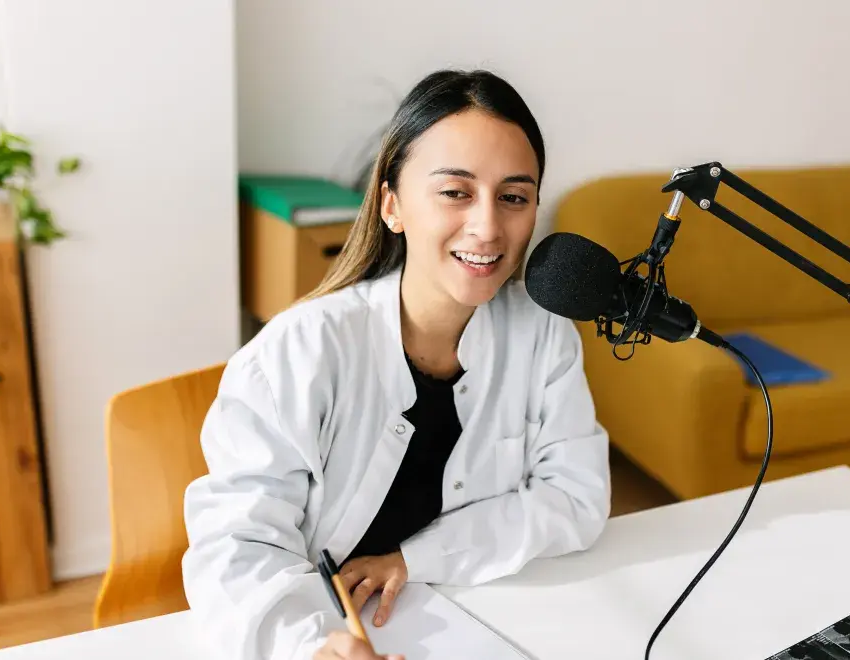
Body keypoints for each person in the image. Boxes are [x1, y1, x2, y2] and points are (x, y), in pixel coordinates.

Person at [180, 68, 612, 660]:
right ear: (392, 205)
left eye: (513, 197)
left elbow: (577, 498)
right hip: (327, 629)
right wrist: (305, 647)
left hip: (478, 616)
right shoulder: (299, 352)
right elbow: (237, 543)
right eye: (455, 192)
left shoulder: (543, 336)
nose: (488, 226)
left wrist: (417, 557)